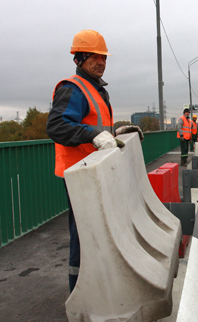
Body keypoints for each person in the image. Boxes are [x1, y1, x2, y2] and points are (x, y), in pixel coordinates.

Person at [46, 29, 142, 292]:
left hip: (97, 172)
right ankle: (80, 294)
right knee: (85, 236)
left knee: (100, 233)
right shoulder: (73, 88)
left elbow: (94, 127)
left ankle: (100, 288)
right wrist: (94, 136)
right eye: (95, 57)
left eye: (104, 58)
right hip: (81, 176)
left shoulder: (97, 90)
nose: (101, 62)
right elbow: (57, 126)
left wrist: (115, 133)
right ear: (80, 59)